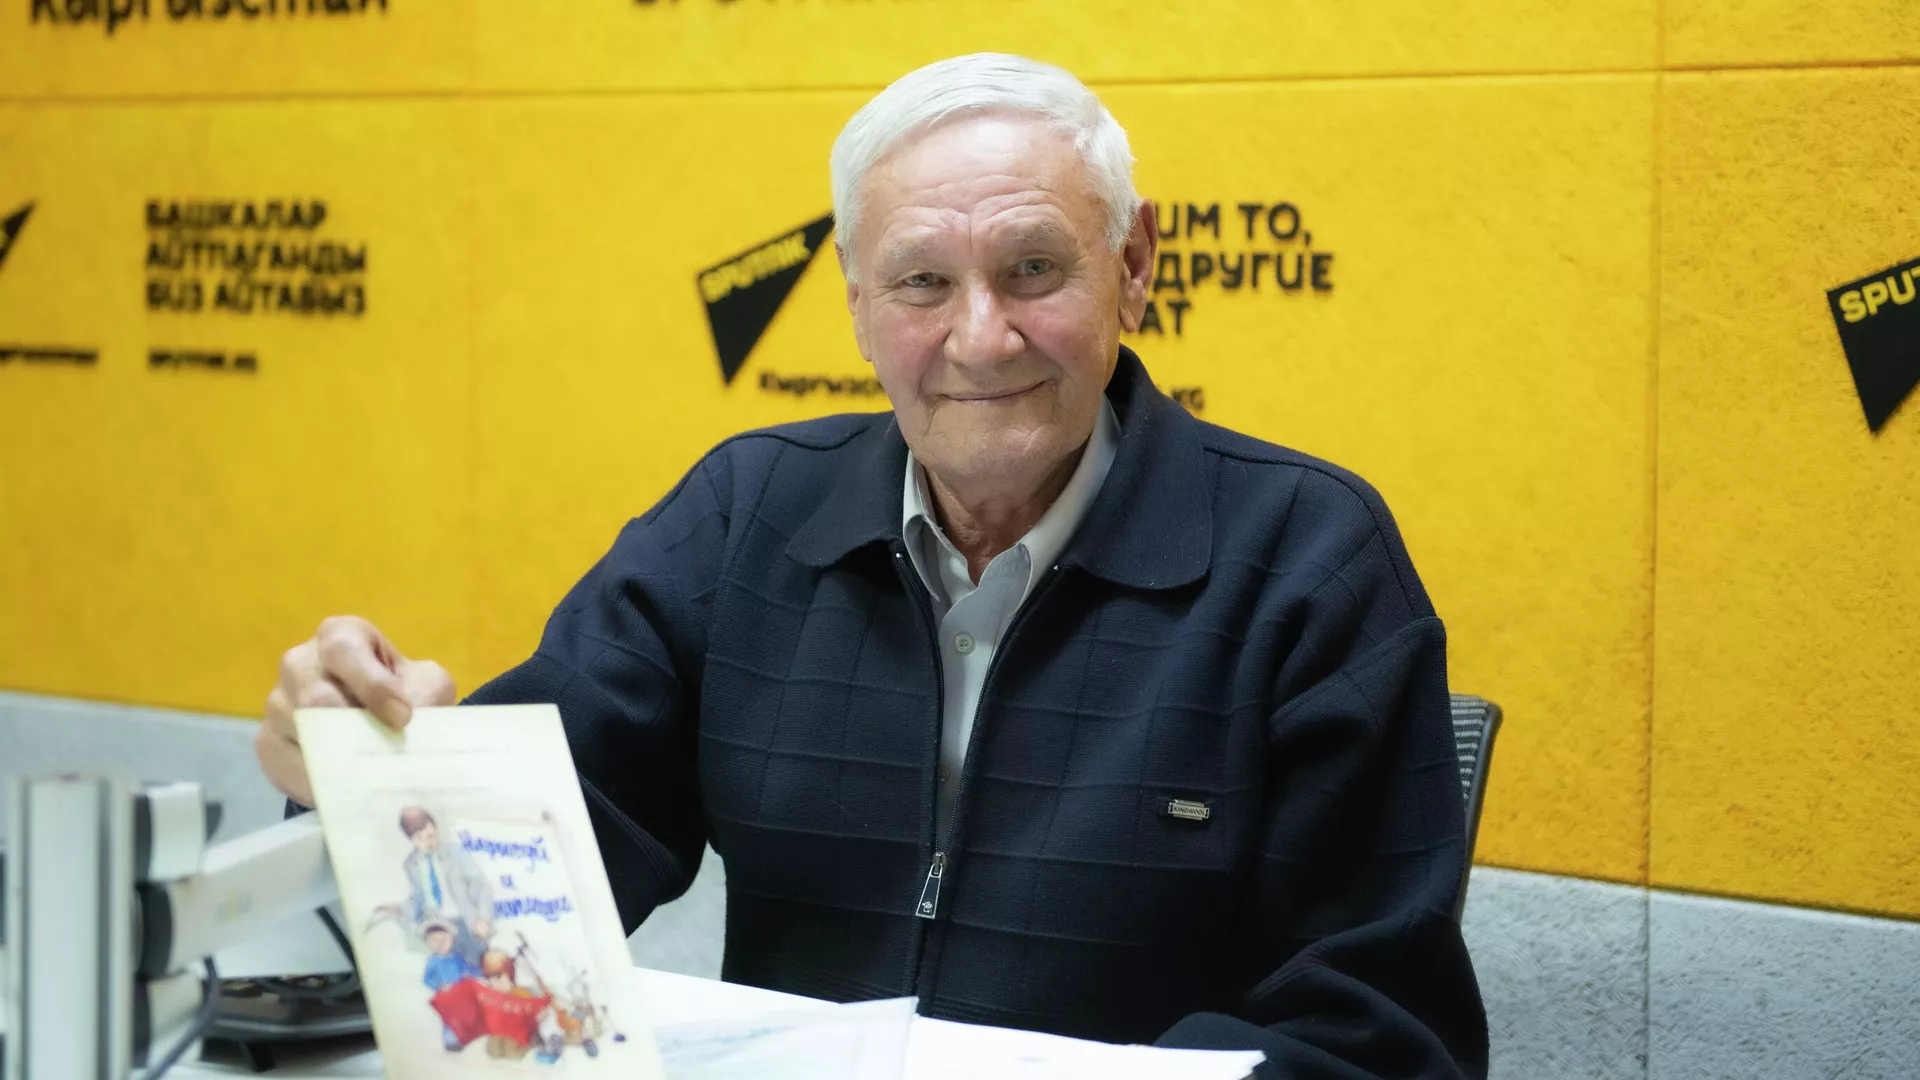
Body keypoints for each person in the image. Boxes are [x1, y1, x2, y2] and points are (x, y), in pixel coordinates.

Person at [259, 52, 1488, 1078]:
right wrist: (360, 772)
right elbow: (511, 901)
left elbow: (1382, 1038)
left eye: (1033, 269)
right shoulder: (745, 519)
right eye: (921, 283)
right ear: (855, 304)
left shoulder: (1308, 561)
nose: (980, 338)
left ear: (1134, 266)